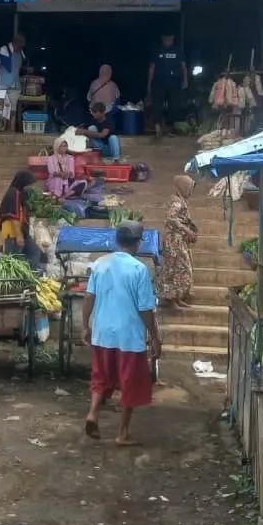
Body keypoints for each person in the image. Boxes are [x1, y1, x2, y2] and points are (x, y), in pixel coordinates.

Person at [82, 220, 161, 446]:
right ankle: (122, 434)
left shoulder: (100, 264)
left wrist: (85, 325)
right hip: (129, 336)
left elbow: (88, 297)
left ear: (117, 240)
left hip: (102, 333)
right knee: (130, 383)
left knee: (101, 376)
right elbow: (145, 309)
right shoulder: (139, 269)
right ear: (138, 243)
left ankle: (93, 413)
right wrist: (155, 337)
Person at [159, 174, 198, 308]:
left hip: (179, 240)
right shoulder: (177, 202)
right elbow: (171, 219)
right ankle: (170, 298)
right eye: (189, 188)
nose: (190, 192)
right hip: (174, 240)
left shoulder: (179, 200)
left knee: (179, 268)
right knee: (177, 268)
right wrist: (187, 230)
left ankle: (177, 297)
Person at [0, 169, 42, 270]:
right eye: (28, 184)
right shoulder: (13, 193)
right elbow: (13, 216)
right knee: (13, 261)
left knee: (34, 252)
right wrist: (19, 235)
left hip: (21, 232)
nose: (30, 187)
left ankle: (28, 274)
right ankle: (18, 277)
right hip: (13, 233)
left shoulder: (20, 194)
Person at [147, 32, 188, 137]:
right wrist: (149, 84)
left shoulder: (178, 50)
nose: (168, 41)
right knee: (157, 104)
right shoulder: (157, 50)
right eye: (166, 39)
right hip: (159, 81)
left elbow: (183, 66)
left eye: (170, 39)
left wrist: (185, 80)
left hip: (174, 81)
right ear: (162, 39)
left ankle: (169, 128)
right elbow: (152, 68)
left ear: (173, 39)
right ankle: (157, 126)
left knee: (174, 105)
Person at [0, 32, 26, 131]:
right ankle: (2, 131)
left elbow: (17, 68)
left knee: (13, 111)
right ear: (15, 42)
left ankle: (11, 132)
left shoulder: (20, 53)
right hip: (2, 85)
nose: (21, 48)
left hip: (15, 86)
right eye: (20, 45)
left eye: (22, 46)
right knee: (3, 110)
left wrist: (26, 69)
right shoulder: (4, 50)